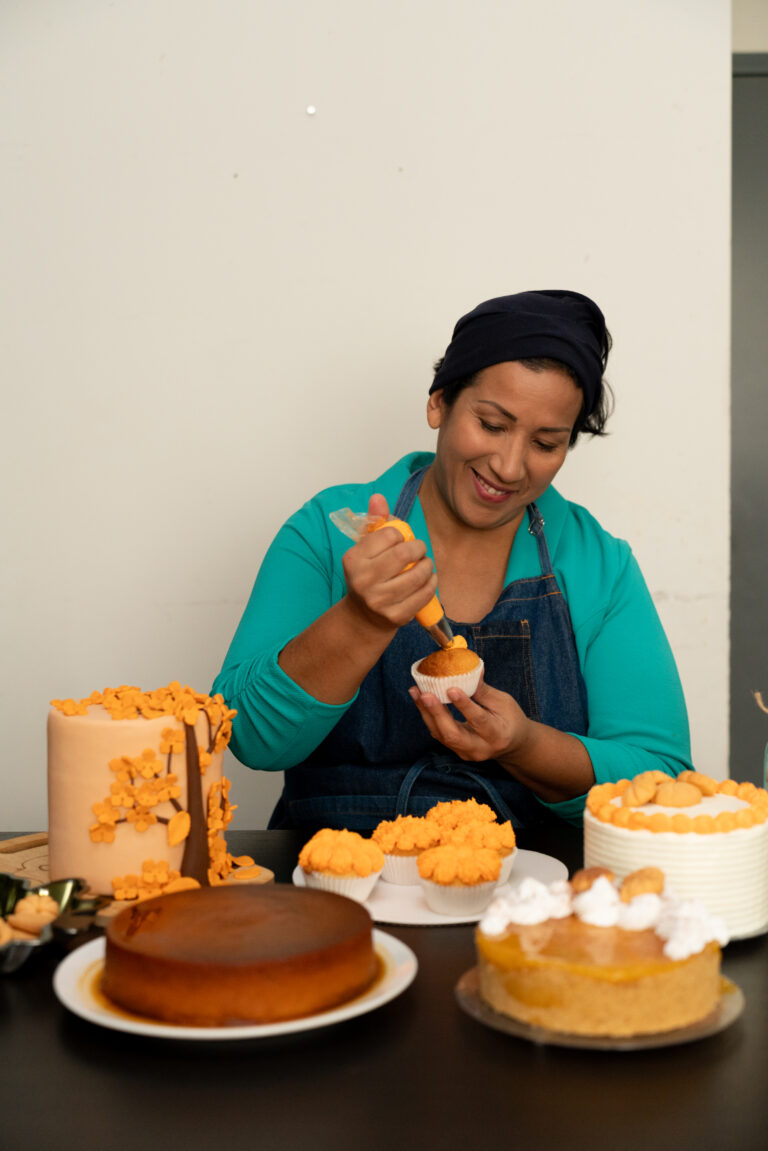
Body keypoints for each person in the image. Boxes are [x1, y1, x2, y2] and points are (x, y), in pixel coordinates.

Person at [213, 290, 692, 832]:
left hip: (528, 890)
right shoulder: (327, 531)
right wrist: (361, 620)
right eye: (491, 424)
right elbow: (245, 734)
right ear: (439, 401)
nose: (510, 467)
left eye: (546, 442)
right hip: (338, 884)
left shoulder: (597, 564)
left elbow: (662, 778)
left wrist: (525, 744)